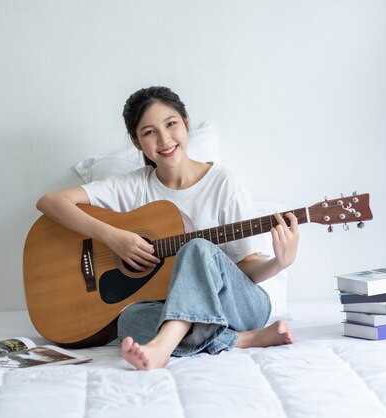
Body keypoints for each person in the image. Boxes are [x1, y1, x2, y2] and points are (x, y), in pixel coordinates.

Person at [36, 86, 299, 370]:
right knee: (129, 320)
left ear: (186, 123)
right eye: (149, 132)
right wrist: (112, 237)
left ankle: (163, 346)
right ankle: (243, 340)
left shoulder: (225, 184)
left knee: (196, 247)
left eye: (171, 124)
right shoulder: (134, 185)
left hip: (238, 306)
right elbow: (50, 202)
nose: (164, 139)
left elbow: (245, 266)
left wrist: (279, 263)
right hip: (188, 311)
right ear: (136, 142)